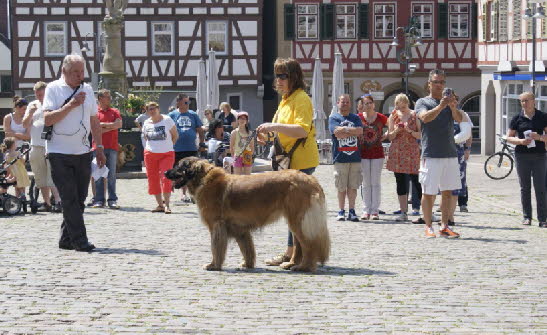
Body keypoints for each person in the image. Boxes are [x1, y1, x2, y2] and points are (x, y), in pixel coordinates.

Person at [256, 57, 319, 269]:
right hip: (289, 163)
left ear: (294, 77)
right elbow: (281, 130)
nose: (279, 80)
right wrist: (267, 134)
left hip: (301, 161)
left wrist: (274, 125)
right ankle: (291, 253)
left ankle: (299, 256)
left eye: (283, 75)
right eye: (277, 75)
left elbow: (301, 129)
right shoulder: (285, 100)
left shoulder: (301, 98)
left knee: (296, 212)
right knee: (292, 212)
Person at [43, 54, 105, 252]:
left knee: (79, 199)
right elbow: (47, 119)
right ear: (64, 72)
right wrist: (71, 105)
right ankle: (80, 241)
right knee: (69, 198)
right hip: (58, 152)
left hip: (83, 152)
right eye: (75, 73)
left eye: (82, 72)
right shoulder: (53, 88)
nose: (80, 76)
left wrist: (100, 148)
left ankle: (66, 239)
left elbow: (95, 121)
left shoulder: (87, 89)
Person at [415, 69, 463, 238]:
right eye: (436, 82)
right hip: (431, 153)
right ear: (429, 84)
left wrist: (452, 106)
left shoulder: (450, 101)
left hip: (450, 152)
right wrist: (441, 105)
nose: (439, 85)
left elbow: (459, 119)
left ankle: (444, 225)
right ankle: (428, 226)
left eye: (442, 82)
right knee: (428, 193)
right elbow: (425, 118)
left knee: (448, 192)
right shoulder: (423, 101)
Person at [506, 91, 547, 228]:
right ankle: (527, 217)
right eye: (522, 101)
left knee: (540, 187)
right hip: (522, 156)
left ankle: (542, 219)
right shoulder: (517, 118)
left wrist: (540, 137)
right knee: (525, 188)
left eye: (527, 100)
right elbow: (509, 137)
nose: (524, 103)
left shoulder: (542, 117)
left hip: (540, 156)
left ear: (533, 101)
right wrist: (520, 141)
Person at [22, 81, 62, 212]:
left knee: (53, 175)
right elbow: (24, 124)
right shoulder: (32, 105)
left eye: (42, 94)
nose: (39, 97)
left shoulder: (54, 104)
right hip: (35, 145)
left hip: (51, 144)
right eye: (37, 95)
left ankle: (58, 201)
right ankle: (47, 203)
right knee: (40, 176)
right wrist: (30, 113)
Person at [386, 93, 422, 222]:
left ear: (408, 104)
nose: (401, 109)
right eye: (399, 106)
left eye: (404, 106)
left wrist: (410, 131)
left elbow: (420, 135)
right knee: (400, 181)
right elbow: (389, 137)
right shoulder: (393, 116)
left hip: (411, 151)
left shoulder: (414, 115)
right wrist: (395, 131)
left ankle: (424, 210)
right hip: (397, 152)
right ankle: (403, 211)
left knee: (416, 180)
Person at [329, 94, 363, 221]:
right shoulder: (334, 117)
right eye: (343, 102)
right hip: (340, 157)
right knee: (341, 186)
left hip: (355, 157)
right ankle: (341, 210)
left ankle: (352, 211)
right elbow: (336, 133)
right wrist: (351, 130)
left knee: (353, 186)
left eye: (347, 102)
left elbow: (360, 131)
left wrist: (344, 129)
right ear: (338, 103)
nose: (345, 104)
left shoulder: (355, 117)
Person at [142, 101, 178, 214]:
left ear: (158, 109)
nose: (152, 111)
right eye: (149, 109)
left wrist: (168, 146)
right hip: (150, 154)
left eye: (153, 108)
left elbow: (175, 135)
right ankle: (160, 205)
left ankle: (167, 205)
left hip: (166, 153)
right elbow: (146, 137)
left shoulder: (167, 120)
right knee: (152, 179)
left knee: (166, 178)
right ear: (147, 111)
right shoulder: (146, 122)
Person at [169, 93, 204, 202]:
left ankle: (193, 193)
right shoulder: (172, 115)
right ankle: (183, 194)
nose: (188, 104)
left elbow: (200, 130)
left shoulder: (193, 114)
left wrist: (202, 143)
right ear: (178, 103)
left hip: (191, 148)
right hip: (177, 148)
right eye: (185, 102)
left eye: (188, 102)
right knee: (180, 172)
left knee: (192, 172)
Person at [90, 89, 122, 209]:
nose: (110, 99)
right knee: (98, 174)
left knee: (112, 175)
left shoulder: (115, 111)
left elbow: (119, 124)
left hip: (112, 147)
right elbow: (93, 129)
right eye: (107, 97)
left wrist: (102, 126)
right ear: (100, 99)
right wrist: (111, 126)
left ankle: (112, 199)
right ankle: (99, 200)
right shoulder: (94, 112)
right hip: (97, 147)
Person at [357, 94, 387, 220]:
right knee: (366, 183)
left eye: (370, 103)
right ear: (362, 105)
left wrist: (385, 136)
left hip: (377, 153)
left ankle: (375, 210)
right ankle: (366, 210)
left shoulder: (380, 117)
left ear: (373, 104)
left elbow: (392, 126)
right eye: (365, 103)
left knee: (375, 182)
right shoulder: (358, 117)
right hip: (363, 153)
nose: (368, 105)